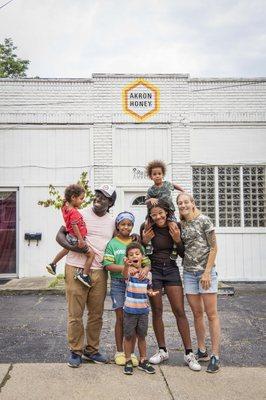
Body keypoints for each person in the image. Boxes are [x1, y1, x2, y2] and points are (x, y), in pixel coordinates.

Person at [56, 184, 116, 368]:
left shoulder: (113, 221)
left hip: (99, 272)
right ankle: (75, 351)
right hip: (76, 268)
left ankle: (92, 350)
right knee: (75, 314)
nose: (98, 198)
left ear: (110, 202)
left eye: (103, 196)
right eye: (97, 194)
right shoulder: (79, 213)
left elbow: (119, 240)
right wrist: (76, 248)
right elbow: (60, 236)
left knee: (96, 315)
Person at [141, 199, 201, 371]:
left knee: (179, 311)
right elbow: (140, 253)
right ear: (150, 216)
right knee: (157, 311)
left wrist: (178, 239)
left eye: (160, 213)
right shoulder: (146, 228)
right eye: (154, 214)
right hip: (155, 272)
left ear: (166, 212)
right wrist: (144, 241)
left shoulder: (176, 227)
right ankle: (162, 350)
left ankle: (189, 353)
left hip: (172, 270)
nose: (158, 216)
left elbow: (183, 254)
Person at [177, 193, 221, 373]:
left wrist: (207, 272)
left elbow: (214, 247)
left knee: (211, 314)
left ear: (193, 203)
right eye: (180, 203)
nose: (183, 205)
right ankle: (202, 350)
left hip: (205, 274)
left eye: (186, 202)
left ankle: (215, 355)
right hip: (188, 273)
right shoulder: (182, 225)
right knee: (196, 313)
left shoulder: (204, 220)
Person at [103, 211, 150, 367]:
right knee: (121, 317)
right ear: (117, 225)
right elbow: (108, 265)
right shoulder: (112, 244)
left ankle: (131, 353)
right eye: (122, 224)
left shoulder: (135, 243)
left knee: (133, 319)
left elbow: (145, 261)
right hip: (118, 283)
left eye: (129, 224)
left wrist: (146, 269)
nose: (126, 227)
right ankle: (120, 351)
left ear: (132, 226)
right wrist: (125, 267)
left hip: (135, 285)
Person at [46, 184, 94, 287]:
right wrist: (81, 240)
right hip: (76, 238)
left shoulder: (65, 207)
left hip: (70, 236)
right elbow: (74, 225)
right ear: (73, 197)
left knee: (65, 250)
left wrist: (67, 200)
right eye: (81, 198)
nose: (83, 201)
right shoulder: (74, 212)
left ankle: (53, 264)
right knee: (91, 255)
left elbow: (65, 202)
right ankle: (84, 275)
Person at [122, 242, 159, 375]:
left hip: (143, 311)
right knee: (128, 336)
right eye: (131, 255)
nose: (134, 256)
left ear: (142, 256)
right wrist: (127, 265)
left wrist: (151, 293)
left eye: (137, 254)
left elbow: (148, 289)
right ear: (128, 258)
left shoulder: (147, 275)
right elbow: (124, 274)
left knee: (142, 336)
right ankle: (128, 361)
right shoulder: (130, 273)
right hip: (130, 311)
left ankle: (143, 360)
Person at [144, 160, 185, 258]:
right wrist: (151, 199)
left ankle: (174, 249)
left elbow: (174, 186)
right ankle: (149, 245)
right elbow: (145, 201)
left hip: (169, 210)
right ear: (151, 176)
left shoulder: (167, 184)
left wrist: (182, 190)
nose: (157, 176)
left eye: (159, 173)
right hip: (156, 211)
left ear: (163, 175)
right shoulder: (151, 189)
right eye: (154, 174)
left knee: (174, 226)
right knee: (147, 225)